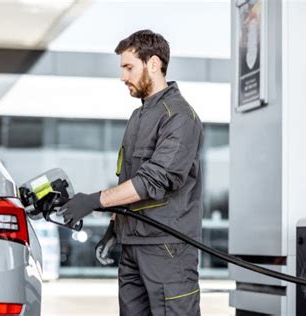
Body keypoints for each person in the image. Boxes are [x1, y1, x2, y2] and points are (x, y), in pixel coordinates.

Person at [58, 29, 203, 315]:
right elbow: (128, 179)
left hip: (167, 249)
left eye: (128, 67)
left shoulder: (179, 116)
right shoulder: (139, 115)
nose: (122, 77)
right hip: (133, 243)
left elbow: (153, 180)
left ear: (153, 63)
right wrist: (115, 226)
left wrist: (94, 200)